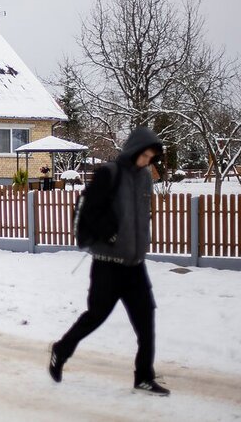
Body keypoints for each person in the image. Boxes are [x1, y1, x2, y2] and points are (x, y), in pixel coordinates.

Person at [48, 126, 170, 396]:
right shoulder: (109, 173)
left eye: (152, 157)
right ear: (134, 151)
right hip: (107, 263)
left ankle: (144, 376)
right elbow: (89, 210)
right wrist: (110, 233)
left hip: (135, 265)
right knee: (96, 316)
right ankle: (61, 349)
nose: (147, 160)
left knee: (146, 317)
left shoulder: (145, 178)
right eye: (144, 155)